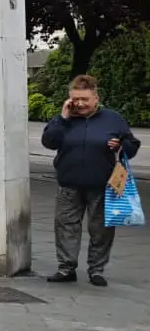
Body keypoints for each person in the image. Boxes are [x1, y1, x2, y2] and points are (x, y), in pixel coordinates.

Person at [42, 74, 140, 286]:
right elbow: (49, 142)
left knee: (101, 230)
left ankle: (96, 270)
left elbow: (132, 146)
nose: (80, 104)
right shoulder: (64, 120)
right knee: (66, 226)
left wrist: (121, 145)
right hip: (68, 183)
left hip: (102, 185)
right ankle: (66, 268)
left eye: (85, 99)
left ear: (96, 98)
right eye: (75, 98)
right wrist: (62, 117)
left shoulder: (113, 119)